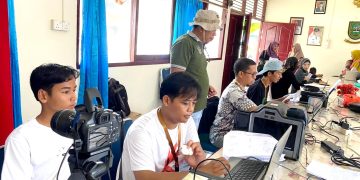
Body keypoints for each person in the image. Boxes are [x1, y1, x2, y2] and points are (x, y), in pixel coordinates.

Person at [119, 72, 230, 180]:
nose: (191, 109)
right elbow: (145, 177)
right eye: (185, 103)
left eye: (194, 103)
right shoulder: (141, 131)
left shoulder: (187, 121)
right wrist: (200, 172)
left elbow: (196, 162)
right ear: (166, 100)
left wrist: (199, 163)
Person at [1, 64, 79, 180]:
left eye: (74, 90)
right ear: (43, 96)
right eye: (66, 91)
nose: (74, 97)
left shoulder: (79, 128)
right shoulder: (21, 139)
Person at [170, 9, 222, 129]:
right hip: (188, 107)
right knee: (185, 142)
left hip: (197, 104)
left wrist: (206, 86)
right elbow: (177, 78)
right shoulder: (184, 43)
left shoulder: (198, 44)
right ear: (202, 28)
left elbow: (195, 71)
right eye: (213, 30)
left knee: (191, 140)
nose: (214, 34)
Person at [209, 58, 258, 148]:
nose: (255, 77)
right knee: (250, 147)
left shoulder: (239, 88)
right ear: (241, 74)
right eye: (253, 74)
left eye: (256, 74)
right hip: (220, 135)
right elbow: (256, 110)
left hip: (232, 133)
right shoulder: (233, 91)